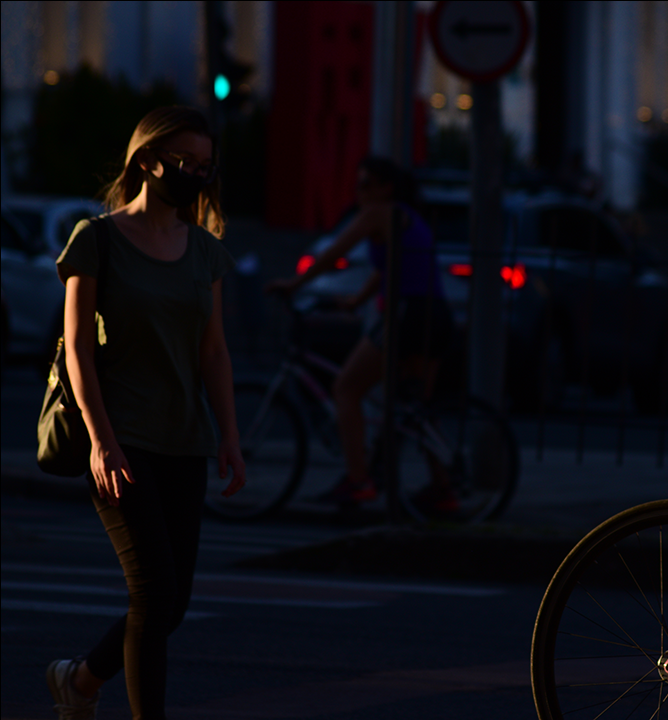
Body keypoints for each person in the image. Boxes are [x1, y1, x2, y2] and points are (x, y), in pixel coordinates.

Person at [46, 106, 245, 719]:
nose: (198, 177)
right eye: (187, 164)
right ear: (147, 162)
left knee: (172, 604)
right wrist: (102, 441)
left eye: (207, 168)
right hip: (122, 440)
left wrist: (230, 438)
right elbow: (76, 348)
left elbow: (213, 351)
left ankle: (79, 681)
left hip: (183, 439)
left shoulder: (205, 252)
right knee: (154, 592)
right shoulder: (97, 239)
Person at [266, 156, 454, 508]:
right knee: (417, 406)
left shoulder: (378, 213)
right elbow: (389, 269)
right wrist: (357, 301)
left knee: (346, 388)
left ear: (387, 188)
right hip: (435, 314)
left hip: (407, 315)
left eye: (366, 183)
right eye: (358, 184)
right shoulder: (407, 217)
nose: (359, 191)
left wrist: (294, 283)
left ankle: (358, 481)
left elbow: (335, 251)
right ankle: (444, 489)